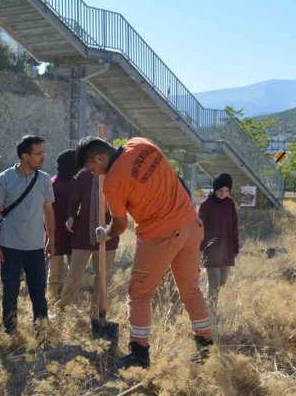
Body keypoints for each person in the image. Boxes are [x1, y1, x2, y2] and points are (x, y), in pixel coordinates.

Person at [76, 136, 213, 369]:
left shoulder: (112, 182)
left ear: (100, 157)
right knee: (190, 289)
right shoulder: (142, 144)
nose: (95, 174)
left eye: (93, 168)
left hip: (160, 235)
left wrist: (104, 233)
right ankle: (206, 347)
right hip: (191, 225)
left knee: (139, 293)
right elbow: (177, 178)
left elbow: (119, 226)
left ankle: (139, 353)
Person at [0, 135, 55, 335]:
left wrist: (51, 239)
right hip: (9, 247)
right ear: (25, 156)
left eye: (43, 152)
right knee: (10, 293)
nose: (43, 157)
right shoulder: (4, 179)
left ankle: (42, 334)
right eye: (39, 153)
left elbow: (49, 211)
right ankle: (10, 332)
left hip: (36, 248)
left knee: (38, 293)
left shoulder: (44, 179)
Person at [57, 165, 120, 315]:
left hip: (108, 235)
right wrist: (71, 217)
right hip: (83, 233)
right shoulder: (84, 176)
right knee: (74, 274)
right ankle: (62, 308)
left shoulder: (116, 175)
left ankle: (97, 314)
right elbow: (74, 201)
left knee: (103, 277)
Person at [199, 173, 240, 309]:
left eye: (226, 191)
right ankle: (211, 313)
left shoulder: (230, 204)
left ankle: (206, 301)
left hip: (226, 248)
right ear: (214, 189)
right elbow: (200, 229)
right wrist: (200, 249)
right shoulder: (206, 205)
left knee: (222, 281)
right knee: (215, 283)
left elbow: (234, 226)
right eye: (220, 190)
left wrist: (235, 247)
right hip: (210, 249)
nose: (223, 194)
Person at [47, 150, 76, 303]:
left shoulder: (74, 182)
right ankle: (51, 303)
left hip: (72, 236)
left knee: (73, 274)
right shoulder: (53, 184)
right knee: (55, 275)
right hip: (56, 236)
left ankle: (66, 302)